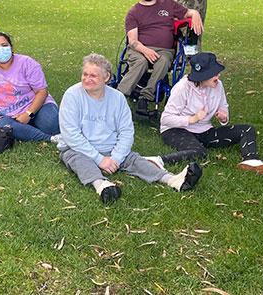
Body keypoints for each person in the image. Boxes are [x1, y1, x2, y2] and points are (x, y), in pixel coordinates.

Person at [58, 53, 202, 203]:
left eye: (93, 76)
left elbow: (126, 132)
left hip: (111, 148)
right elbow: (71, 135)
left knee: (134, 159)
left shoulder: (117, 98)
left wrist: (116, 158)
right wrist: (99, 159)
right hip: (79, 149)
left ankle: (172, 180)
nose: (87, 79)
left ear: (106, 78)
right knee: (78, 159)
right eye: (85, 74)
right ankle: (102, 185)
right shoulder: (72, 95)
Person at [145, 53, 263, 175]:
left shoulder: (218, 85)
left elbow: (223, 106)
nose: (218, 75)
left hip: (204, 130)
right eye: (214, 73)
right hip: (176, 130)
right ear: (202, 76)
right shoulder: (182, 88)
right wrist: (192, 119)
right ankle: (158, 161)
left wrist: (223, 116)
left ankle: (251, 161)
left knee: (247, 129)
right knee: (199, 153)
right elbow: (166, 118)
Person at [118, 0, 204, 115]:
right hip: (139, 49)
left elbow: (188, 13)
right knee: (140, 62)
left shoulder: (168, 4)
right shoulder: (133, 12)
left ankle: (145, 98)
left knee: (163, 61)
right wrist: (146, 51)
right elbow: (132, 41)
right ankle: (118, 96)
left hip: (164, 50)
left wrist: (195, 13)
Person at [0, 33, 61, 143]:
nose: (1, 49)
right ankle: (50, 139)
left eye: (4, 45)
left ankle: (32, 129)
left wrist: (28, 114)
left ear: (11, 47)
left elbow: (42, 91)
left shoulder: (27, 62)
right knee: (5, 126)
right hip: (10, 116)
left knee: (53, 126)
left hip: (37, 106)